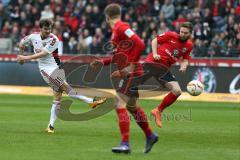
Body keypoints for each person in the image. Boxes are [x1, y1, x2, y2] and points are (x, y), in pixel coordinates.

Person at [17, 19, 106, 133]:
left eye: (49, 28)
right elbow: (22, 42)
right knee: (65, 88)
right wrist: (21, 52)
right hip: (45, 70)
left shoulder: (54, 39)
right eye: (45, 28)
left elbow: (43, 53)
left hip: (56, 68)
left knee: (58, 97)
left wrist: (25, 58)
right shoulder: (33, 37)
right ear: (40, 28)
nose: (48, 31)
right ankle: (90, 101)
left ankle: (50, 126)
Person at [91, 4, 158, 154]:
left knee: (119, 102)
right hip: (132, 73)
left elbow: (140, 43)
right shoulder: (117, 31)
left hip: (133, 73)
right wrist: (103, 62)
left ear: (107, 17)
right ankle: (150, 135)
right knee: (131, 106)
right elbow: (119, 55)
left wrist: (131, 67)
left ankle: (125, 143)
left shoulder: (121, 28)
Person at [138, 22, 194, 128]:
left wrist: (184, 66)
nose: (182, 34)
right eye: (181, 31)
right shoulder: (171, 35)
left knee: (177, 91)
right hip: (152, 63)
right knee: (133, 83)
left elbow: (186, 59)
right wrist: (155, 54)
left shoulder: (189, 46)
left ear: (190, 34)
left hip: (163, 70)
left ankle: (158, 110)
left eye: (185, 33)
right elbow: (155, 40)